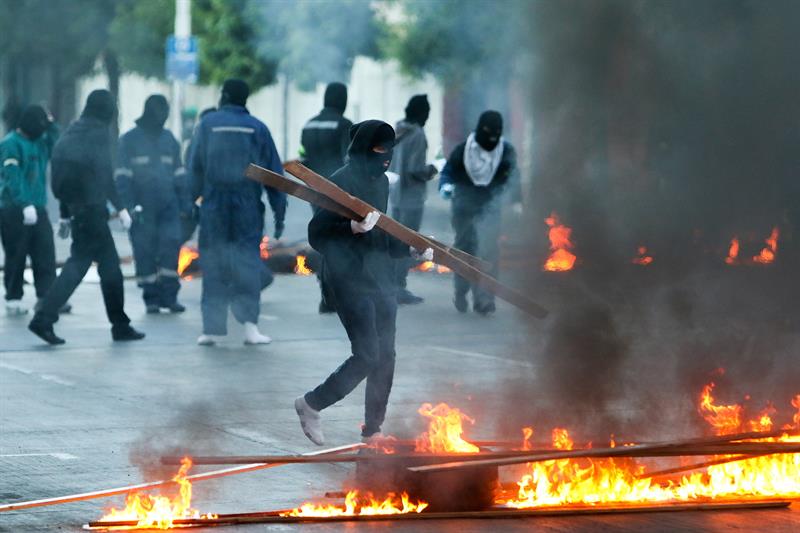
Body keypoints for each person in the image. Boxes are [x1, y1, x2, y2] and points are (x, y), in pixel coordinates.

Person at [294, 120, 433, 445]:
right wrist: (351, 230)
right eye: (379, 150)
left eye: (390, 151)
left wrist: (410, 248)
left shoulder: (382, 181)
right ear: (363, 148)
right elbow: (317, 235)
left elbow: (382, 233)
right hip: (347, 280)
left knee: (386, 355)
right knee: (367, 354)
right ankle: (312, 403)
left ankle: (373, 429)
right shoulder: (339, 183)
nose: (384, 158)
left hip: (380, 277)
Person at [28, 89, 145, 345]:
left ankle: (119, 324)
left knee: (109, 268)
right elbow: (104, 174)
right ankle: (44, 318)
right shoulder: (98, 134)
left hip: (80, 210)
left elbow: (63, 175)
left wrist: (67, 213)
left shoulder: (72, 131)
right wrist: (122, 208)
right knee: (80, 265)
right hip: (92, 212)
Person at [189, 79, 286, 346]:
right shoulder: (258, 128)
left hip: (213, 205)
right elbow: (274, 176)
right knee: (247, 264)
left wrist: (188, 205)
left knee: (213, 261)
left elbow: (194, 168)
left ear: (225, 96)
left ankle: (211, 329)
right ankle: (250, 328)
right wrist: (279, 214)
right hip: (247, 206)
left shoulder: (207, 125)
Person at [439, 110, 520, 315]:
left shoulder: (506, 151)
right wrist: (446, 186)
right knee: (466, 251)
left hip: (491, 205)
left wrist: (518, 200)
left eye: (497, 133)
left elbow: (514, 175)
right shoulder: (463, 150)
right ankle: (461, 290)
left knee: (489, 252)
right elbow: (448, 172)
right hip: (464, 205)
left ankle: (485, 299)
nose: (492, 137)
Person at [115, 95, 187, 313]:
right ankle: (152, 299)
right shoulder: (129, 140)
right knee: (144, 252)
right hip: (141, 208)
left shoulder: (169, 140)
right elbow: (122, 177)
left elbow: (180, 174)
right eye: (161, 112)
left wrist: (186, 204)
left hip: (168, 206)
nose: (164, 117)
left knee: (170, 248)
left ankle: (170, 297)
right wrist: (127, 206)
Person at [0, 104, 64, 315]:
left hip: (38, 207)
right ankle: (13, 296)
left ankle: (47, 296)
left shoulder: (41, 142)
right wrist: (24, 203)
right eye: (41, 124)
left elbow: (59, 141)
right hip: (14, 208)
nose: (43, 128)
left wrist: (51, 122)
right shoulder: (10, 144)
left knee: (45, 253)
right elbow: (12, 177)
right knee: (16, 253)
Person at [299, 82, 353, 313]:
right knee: (341, 243)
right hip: (337, 193)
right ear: (342, 100)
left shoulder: (309, 125)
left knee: (325, 242)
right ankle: (336, 296)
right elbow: (349, 160)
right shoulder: (344, 125)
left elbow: (303, 158)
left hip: (315, 192)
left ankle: (326, 293)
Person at [388, 94, 438, 305]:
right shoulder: (417, 134)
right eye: (427, 112)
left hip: (396, 196)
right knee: (408, 244)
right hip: (412, 198)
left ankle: (393, 287)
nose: (427, 117)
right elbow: (416, 170)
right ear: (421, 113)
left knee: (397, 242)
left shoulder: (397, 129)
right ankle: (399, 287)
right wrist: (432, 170)